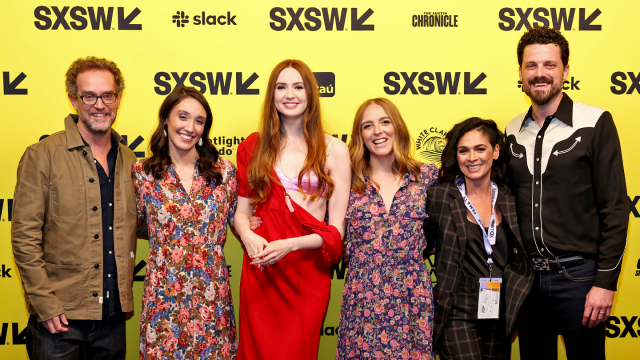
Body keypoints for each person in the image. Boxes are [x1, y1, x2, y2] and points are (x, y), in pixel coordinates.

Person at [505, 27, 628, 360]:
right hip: (527, 281)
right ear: (520, 73)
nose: (540, 73)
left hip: (580, 279)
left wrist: (605, 283)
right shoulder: (511, 130)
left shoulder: (595, 121)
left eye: (549, 65)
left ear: (565, 71)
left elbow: (615, 208)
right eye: (531, 66)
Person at [11, 56, 137, 359]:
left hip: (113, 320)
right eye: (89, 96)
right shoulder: (42, 156)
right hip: (60, 322)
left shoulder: (130, 160)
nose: (99, 105)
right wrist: (44, 305)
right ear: (73, 99)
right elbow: (24, 238)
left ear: (118, 99)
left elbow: (149, 222)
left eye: (107, 95)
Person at [234, 59, 351, 360]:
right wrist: (247, 236)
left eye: (298, 86)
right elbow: (242, 211)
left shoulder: (334, 150)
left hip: (307, 269)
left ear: (311, 93)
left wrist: (290, 244)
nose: (290, 94)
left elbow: (336, 231)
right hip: (262, 269)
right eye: (281, 87)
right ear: (271, 95)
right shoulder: (253, 147)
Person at [133, 86, 237, 359]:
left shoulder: (224, 172)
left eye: (199, 121)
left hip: (212, 299)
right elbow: (129, 227)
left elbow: (243, 220)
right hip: (162, 301)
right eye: (182, 116)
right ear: (166, 119)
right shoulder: (142, 174)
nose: (190, 127)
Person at [335, 98, 438, 359]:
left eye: (384, 122)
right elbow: (322, 226)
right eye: (367, 126)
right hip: (363, 300)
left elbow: (445, 232)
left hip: (413, 298)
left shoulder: (426, 176)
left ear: (397, 127)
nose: (377, 131)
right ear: (360, 136)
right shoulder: (346, 181)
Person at [424, 118, 533, 360]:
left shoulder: (511, 197)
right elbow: (418, 244)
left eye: (480, 149)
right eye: (463, 150)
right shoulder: (440, 197)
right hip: (456, 309)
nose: (472, 157)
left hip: (499, 308)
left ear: (495, 151)